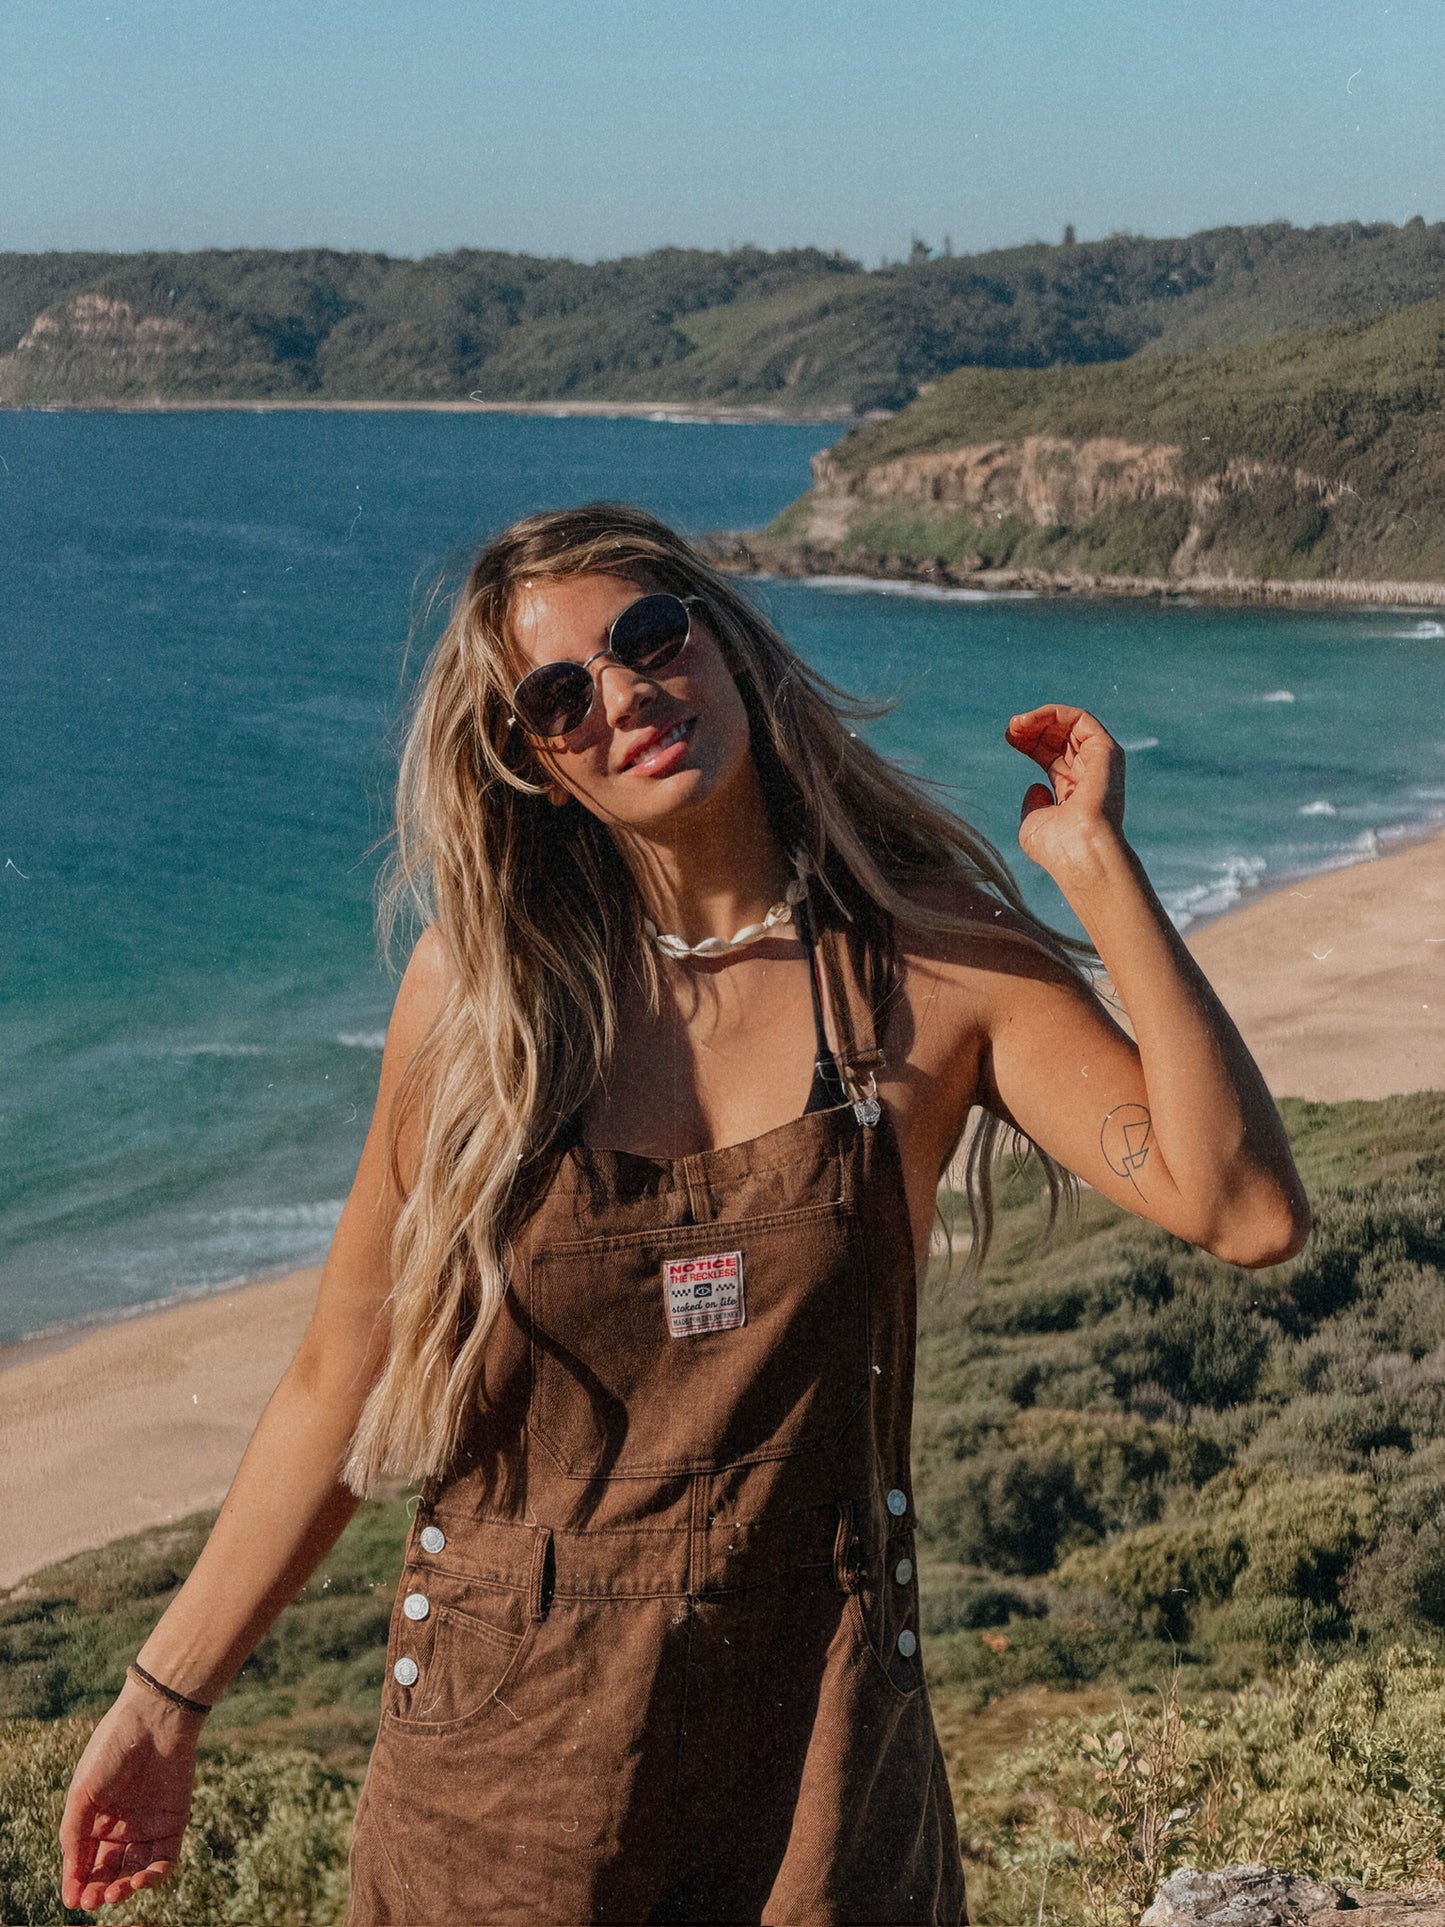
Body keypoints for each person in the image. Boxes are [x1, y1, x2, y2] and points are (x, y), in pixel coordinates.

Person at [60, 503, 1310, 1925]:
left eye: (651, 638)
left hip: (820, 1755)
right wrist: (162, 1702)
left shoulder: (932, 958)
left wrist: (1095, 871)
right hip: (500, 1769)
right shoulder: (483, 1000)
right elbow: (344, 1373)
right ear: (529, 765)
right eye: (559, 696)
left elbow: (1243, 1208)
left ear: (728, 649)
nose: (625, 696)